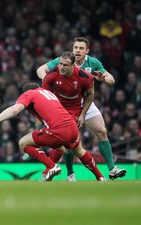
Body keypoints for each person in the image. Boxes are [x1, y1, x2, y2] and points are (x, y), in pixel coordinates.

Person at [37, 38, 126, 181]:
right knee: (68, 141)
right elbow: (41, 69)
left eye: (81, 48)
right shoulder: (63, 61)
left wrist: (103, 79)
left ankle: (112, 169)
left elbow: (111, 80)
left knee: (102, 131)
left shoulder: (93, 63)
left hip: (85, 103)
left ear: (87, 51)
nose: (77, 50)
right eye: (75, 47)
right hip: (63, 105)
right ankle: (70, 174)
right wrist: (47, 78)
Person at [0, 82, 106, 181]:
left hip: (59, 130)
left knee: (23, 143)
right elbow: (44, 121)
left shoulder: (29, 94)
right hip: (72, 127)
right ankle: (100, 177)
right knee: (77, 150)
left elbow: (14, 110)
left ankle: (52, 166)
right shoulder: (47, 93)